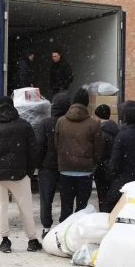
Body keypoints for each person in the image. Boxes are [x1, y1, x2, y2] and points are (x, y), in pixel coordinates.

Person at [0, 96, 41, 253]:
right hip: (20, 174)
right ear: (12, 107)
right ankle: (32, 240)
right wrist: (29, 172)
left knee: (2, 207)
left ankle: (5, 240)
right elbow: (33, 151)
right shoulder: (24, 125)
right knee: (25, 207)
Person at [55, 88, 103, 222]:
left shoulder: (61, 121)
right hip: (85, 171)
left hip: (65, 169)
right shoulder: (93, 124)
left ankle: (64, 229)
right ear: (87, 103)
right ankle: (77, 230)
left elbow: (57, 144)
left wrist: (63, 158)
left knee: (66, 206)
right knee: (82, 208)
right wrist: (92, 162)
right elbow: (98, 149)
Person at [33, 92, 70, 238]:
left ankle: (46, 227)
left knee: (46, 199)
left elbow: (39, 146)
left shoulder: (45, 123)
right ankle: (64, 225)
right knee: (66, 199)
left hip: (47, 168)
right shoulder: (69, 123)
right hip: (66, 167)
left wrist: (38, 164)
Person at [93, 104, 119, 212]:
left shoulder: (101, 132)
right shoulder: (117, 130)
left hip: (102, 169)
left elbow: (99, 153)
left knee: (102, 197)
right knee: (112, 197)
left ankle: (104, 215)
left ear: (98, 116)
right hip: (113, 168)